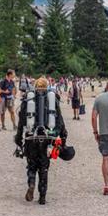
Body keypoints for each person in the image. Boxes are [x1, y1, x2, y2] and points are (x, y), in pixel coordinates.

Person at [15, 77, 69, 205]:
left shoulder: (29, 99)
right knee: (44, 166)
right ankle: (42, 196)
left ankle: (32, 184)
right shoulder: (52, 99)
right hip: (47, 137)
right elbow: (60, 120)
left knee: (32, 165)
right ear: (47, 86)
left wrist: (18, 139)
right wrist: (63, 137)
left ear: (35, 86)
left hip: (31, 137)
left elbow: (22, 121)